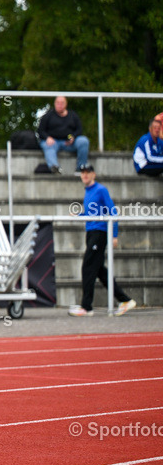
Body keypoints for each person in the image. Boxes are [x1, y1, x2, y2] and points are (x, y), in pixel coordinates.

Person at [69, 165, 137, 317]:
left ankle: (86, 307)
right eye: (82, 173)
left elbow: (112, 211)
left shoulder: (101, 190)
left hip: (99, 233)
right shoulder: (88, 192)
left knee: (87, 266)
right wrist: (79, 215)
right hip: (91, 232)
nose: (85, 175)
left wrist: (114, 235)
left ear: (93, 174)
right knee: (99, 270)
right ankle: (125, 300)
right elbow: (90, 213)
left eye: (87, 173)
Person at [37, 96, 90, 174]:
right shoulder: (48, 116)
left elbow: (79, 130)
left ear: (66, 104)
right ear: (55, 104)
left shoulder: (73, 116)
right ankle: (55, 168)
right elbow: (40, 131)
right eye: (58, 103)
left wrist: (72, 137)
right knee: (47, 145)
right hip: (53, 142)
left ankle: (81, 168)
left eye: (62, 103)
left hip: (68, 143)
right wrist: (47, 137)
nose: (60, 105)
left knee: (83, 141)